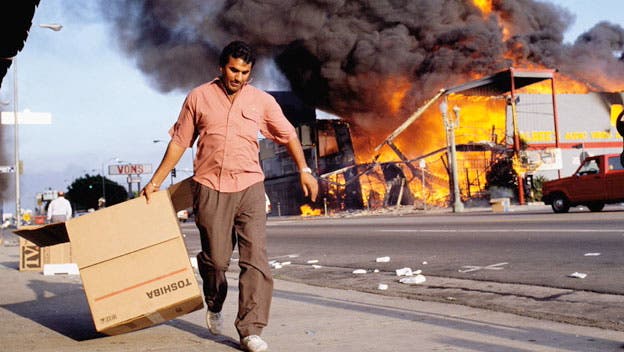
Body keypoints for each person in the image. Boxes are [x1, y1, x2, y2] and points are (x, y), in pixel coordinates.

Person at [141, 40, 318, 352]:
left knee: (256, 260)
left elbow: (288, 134)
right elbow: (180, 142)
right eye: (234, 70)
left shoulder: (261, 101)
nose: (238, 77)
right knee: (217, 260)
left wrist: (304, 169)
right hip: (210, 186)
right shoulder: (198, 97)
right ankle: (214, 300)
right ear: (221, 68)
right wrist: (155, 182)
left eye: (245, 72)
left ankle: (250, 329)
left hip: (250, 186)